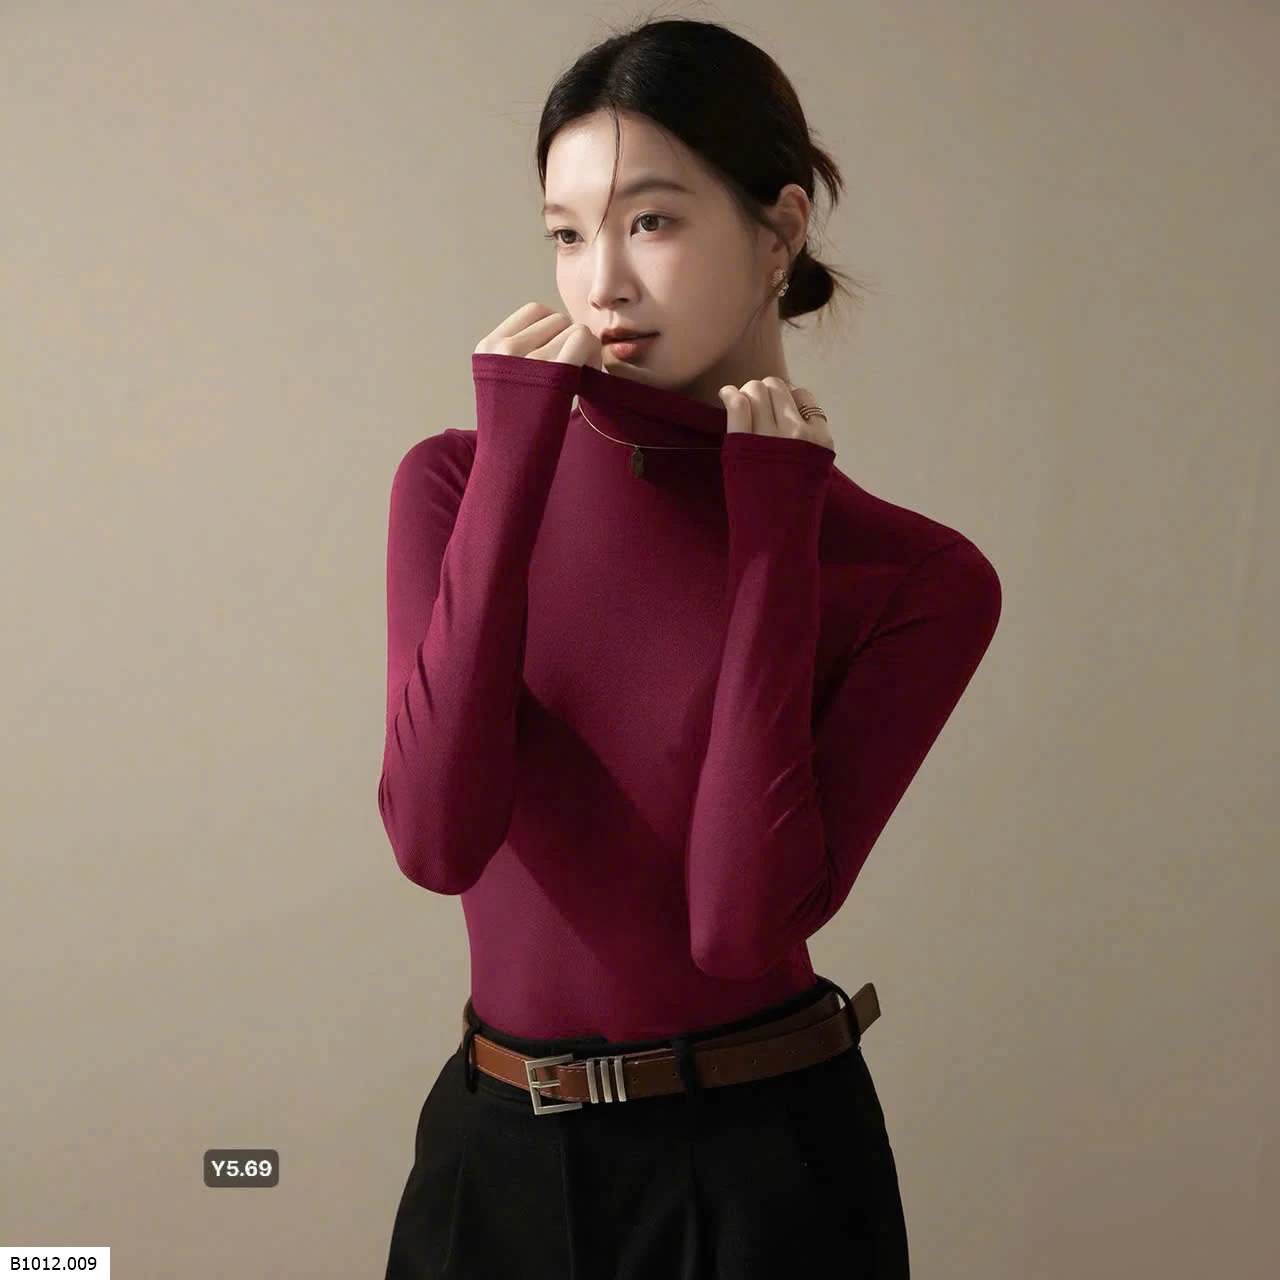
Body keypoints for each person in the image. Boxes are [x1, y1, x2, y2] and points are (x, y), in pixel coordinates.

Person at [380, 15, 1000, 1278]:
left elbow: (733, 921)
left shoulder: (917, 576)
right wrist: (512, 466)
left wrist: (772, 536)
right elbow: (435, 838)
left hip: (761, 1172)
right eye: (566, 234)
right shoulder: (452, 483)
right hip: (492, 1158)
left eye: (650, 221)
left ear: (778, 232)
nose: (600, 283)